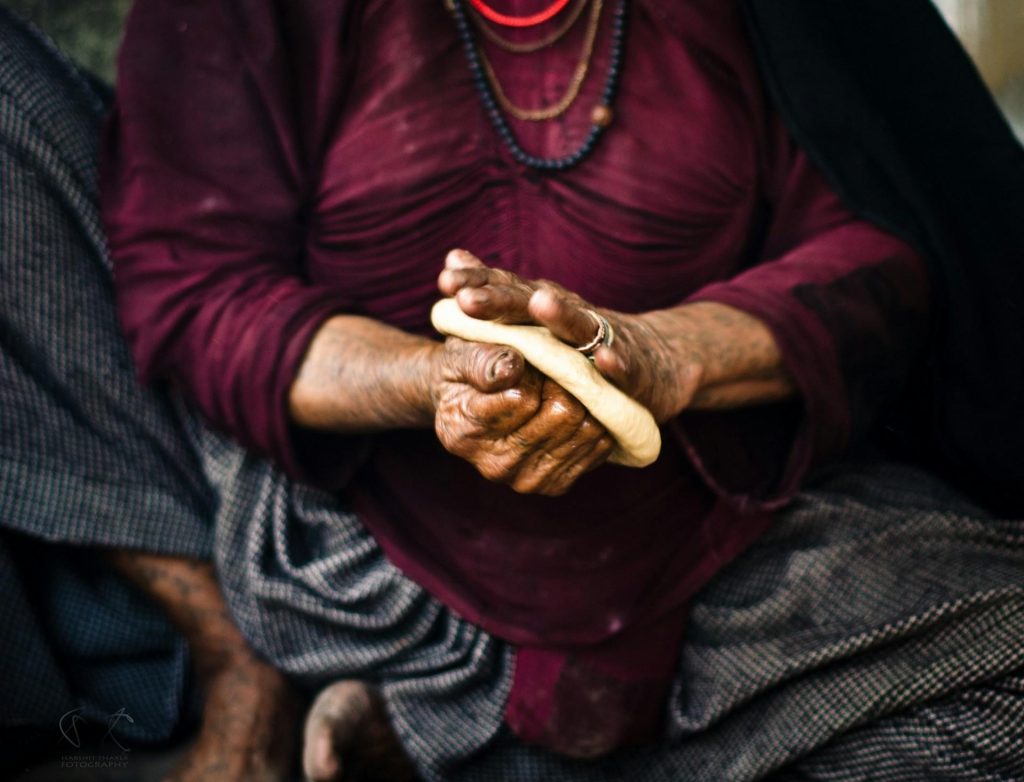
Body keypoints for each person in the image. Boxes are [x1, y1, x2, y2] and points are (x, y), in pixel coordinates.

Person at [2, 2, 1024, 782]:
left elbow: (886, 238)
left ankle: (432, 734)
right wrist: (421, 379)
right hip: (331, 557)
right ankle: (250, 662)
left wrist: (663, 357)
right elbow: (197, 284)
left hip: (730, 561)